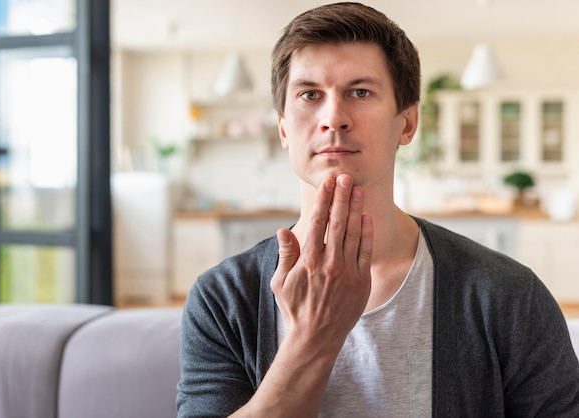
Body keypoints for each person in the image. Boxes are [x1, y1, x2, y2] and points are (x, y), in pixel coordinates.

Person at [176, 2, 579, 416]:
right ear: (283, 129)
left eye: (360, 92)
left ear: (406, 123)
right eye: (309, 94)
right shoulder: (222, 299)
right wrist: (313, 336)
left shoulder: (508, 296)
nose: (333, 118)